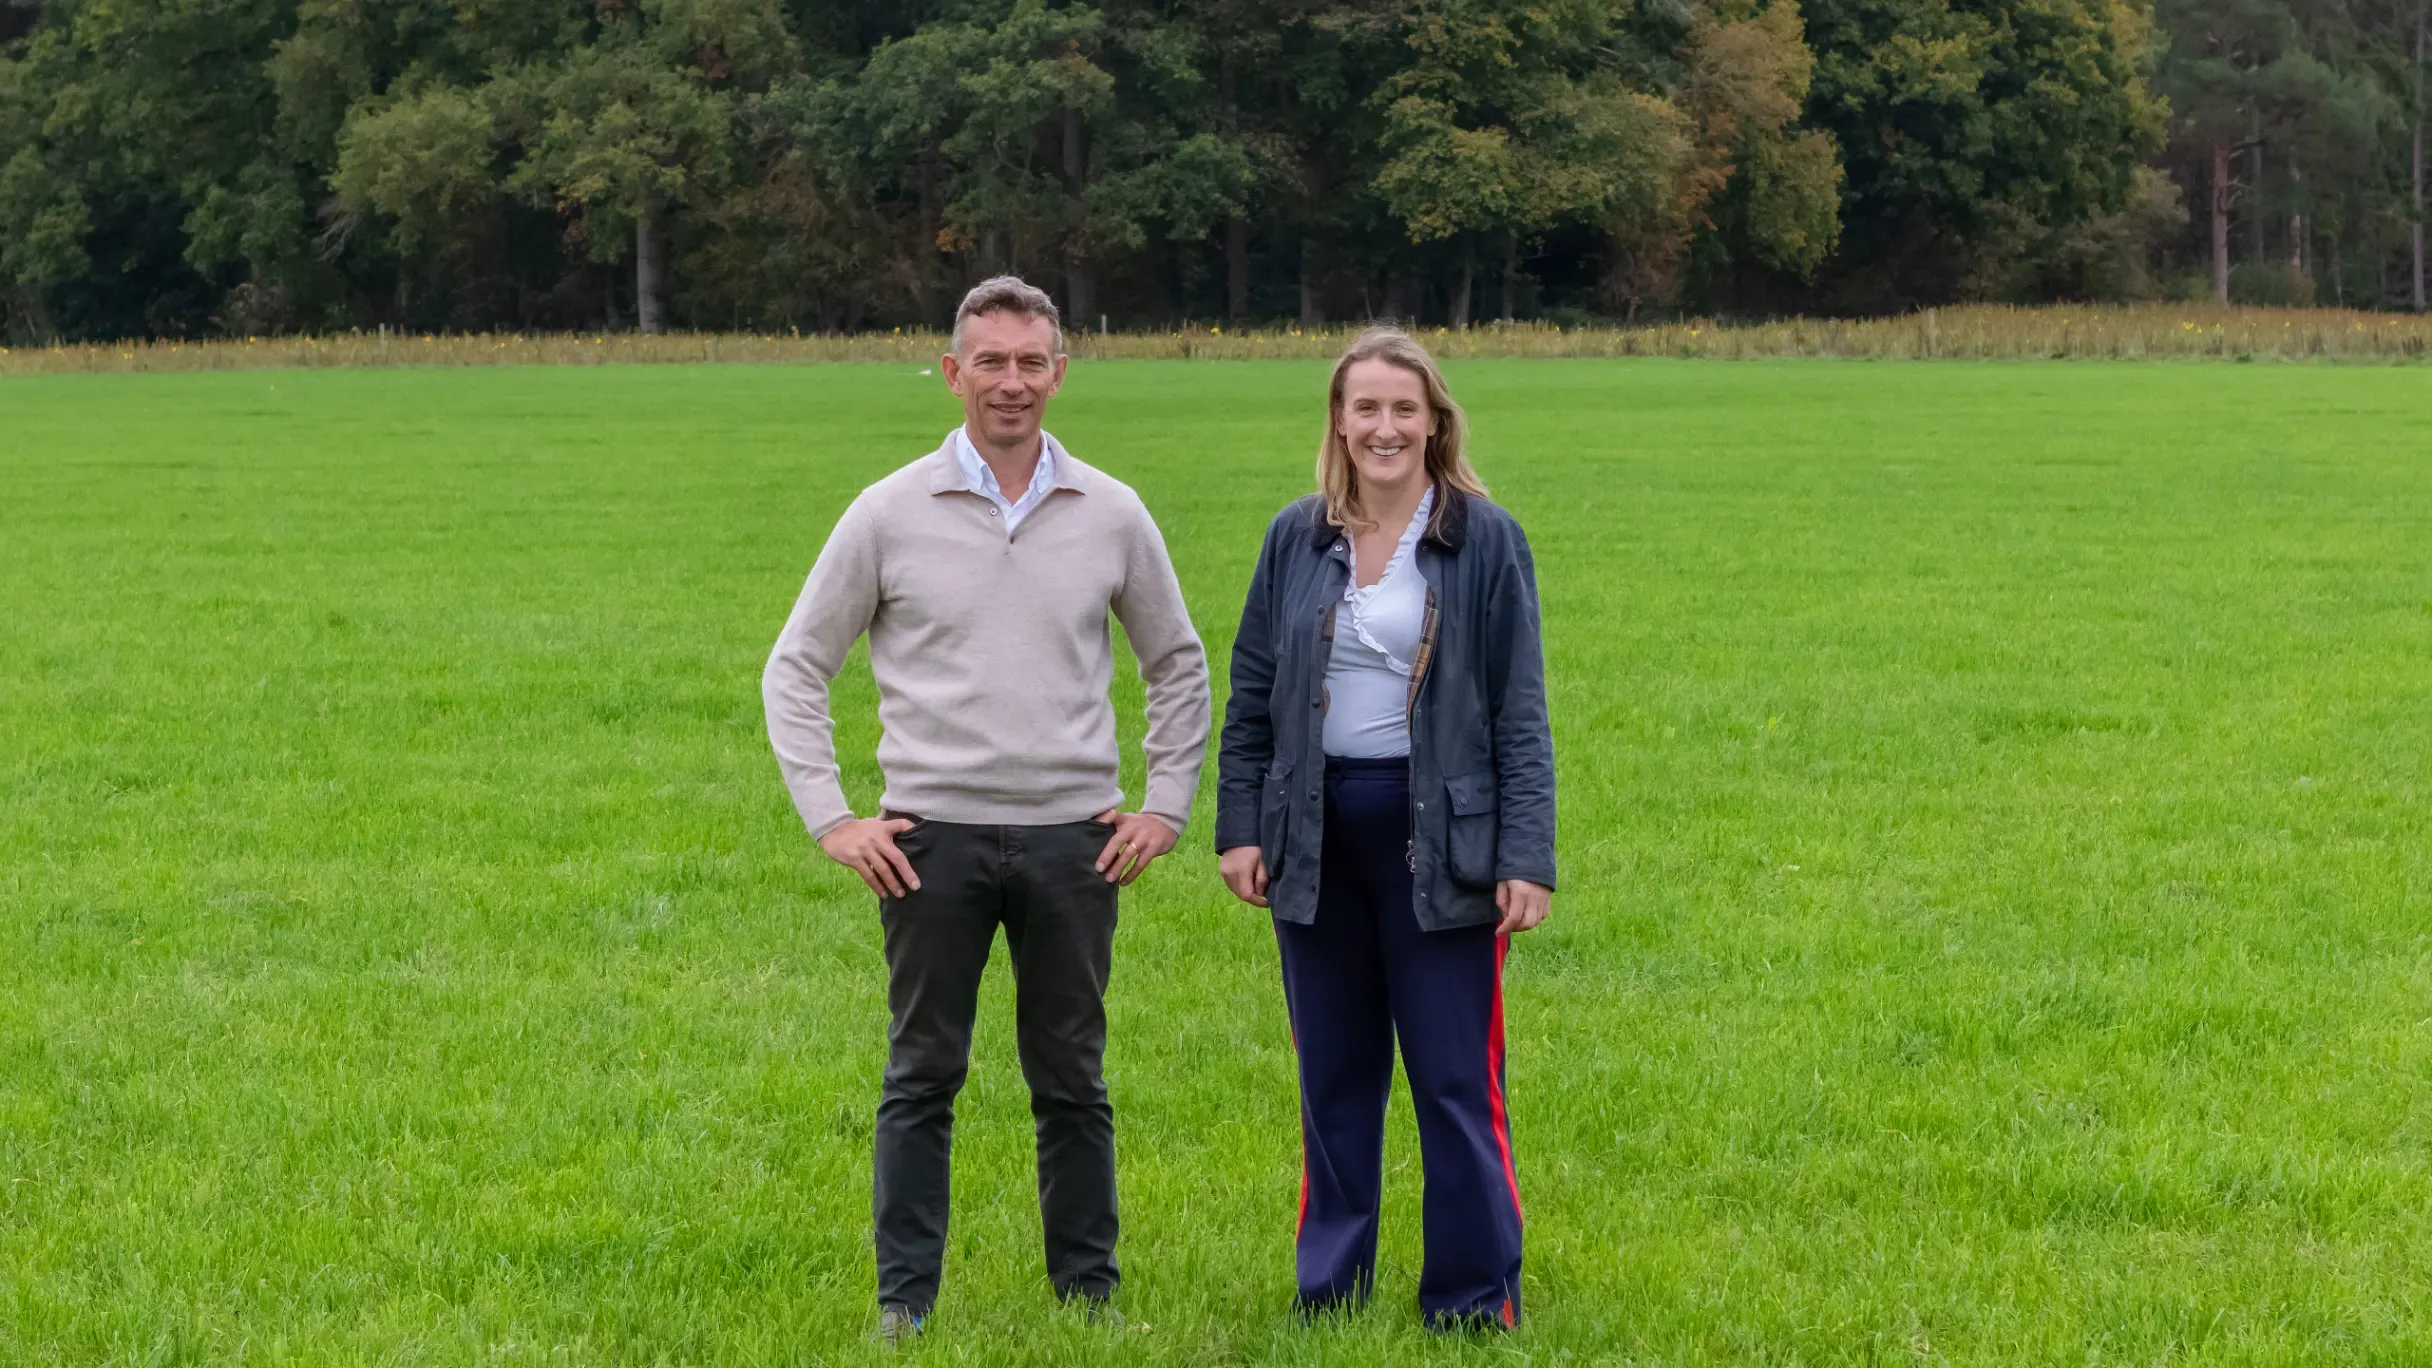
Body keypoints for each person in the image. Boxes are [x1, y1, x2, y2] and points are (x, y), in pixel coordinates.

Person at [763, 276, 1211, 1342]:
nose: (1011, 382)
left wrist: (1167, 809)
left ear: (1060, 372)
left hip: (1075, 842)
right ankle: (903, 1306)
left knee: (1072, 1078)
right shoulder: (886, 512)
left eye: (1031, 361)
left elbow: (1178, 665)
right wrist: (833, 820)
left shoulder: (1110, 511)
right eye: (991, 362)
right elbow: (796, 667)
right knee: (922, 1074)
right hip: (928, 845)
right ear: (952, 372)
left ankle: (1087, 1299)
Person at [1214, 327, 1555, 1330]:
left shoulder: (1482, 538)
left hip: (1440, 844)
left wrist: (1522, 856)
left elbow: (1517, 711)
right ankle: (1330, 1291)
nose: (1383, 427)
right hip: (1313, 838)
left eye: (1403, 408)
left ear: (1434, 421)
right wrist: (1241, 829)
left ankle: (1470, 1296)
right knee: (1334, 1077)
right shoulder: (1296, 536)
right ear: (1337, 420)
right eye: (1364, 407)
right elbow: (1251, 695)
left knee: (1453, 1080)